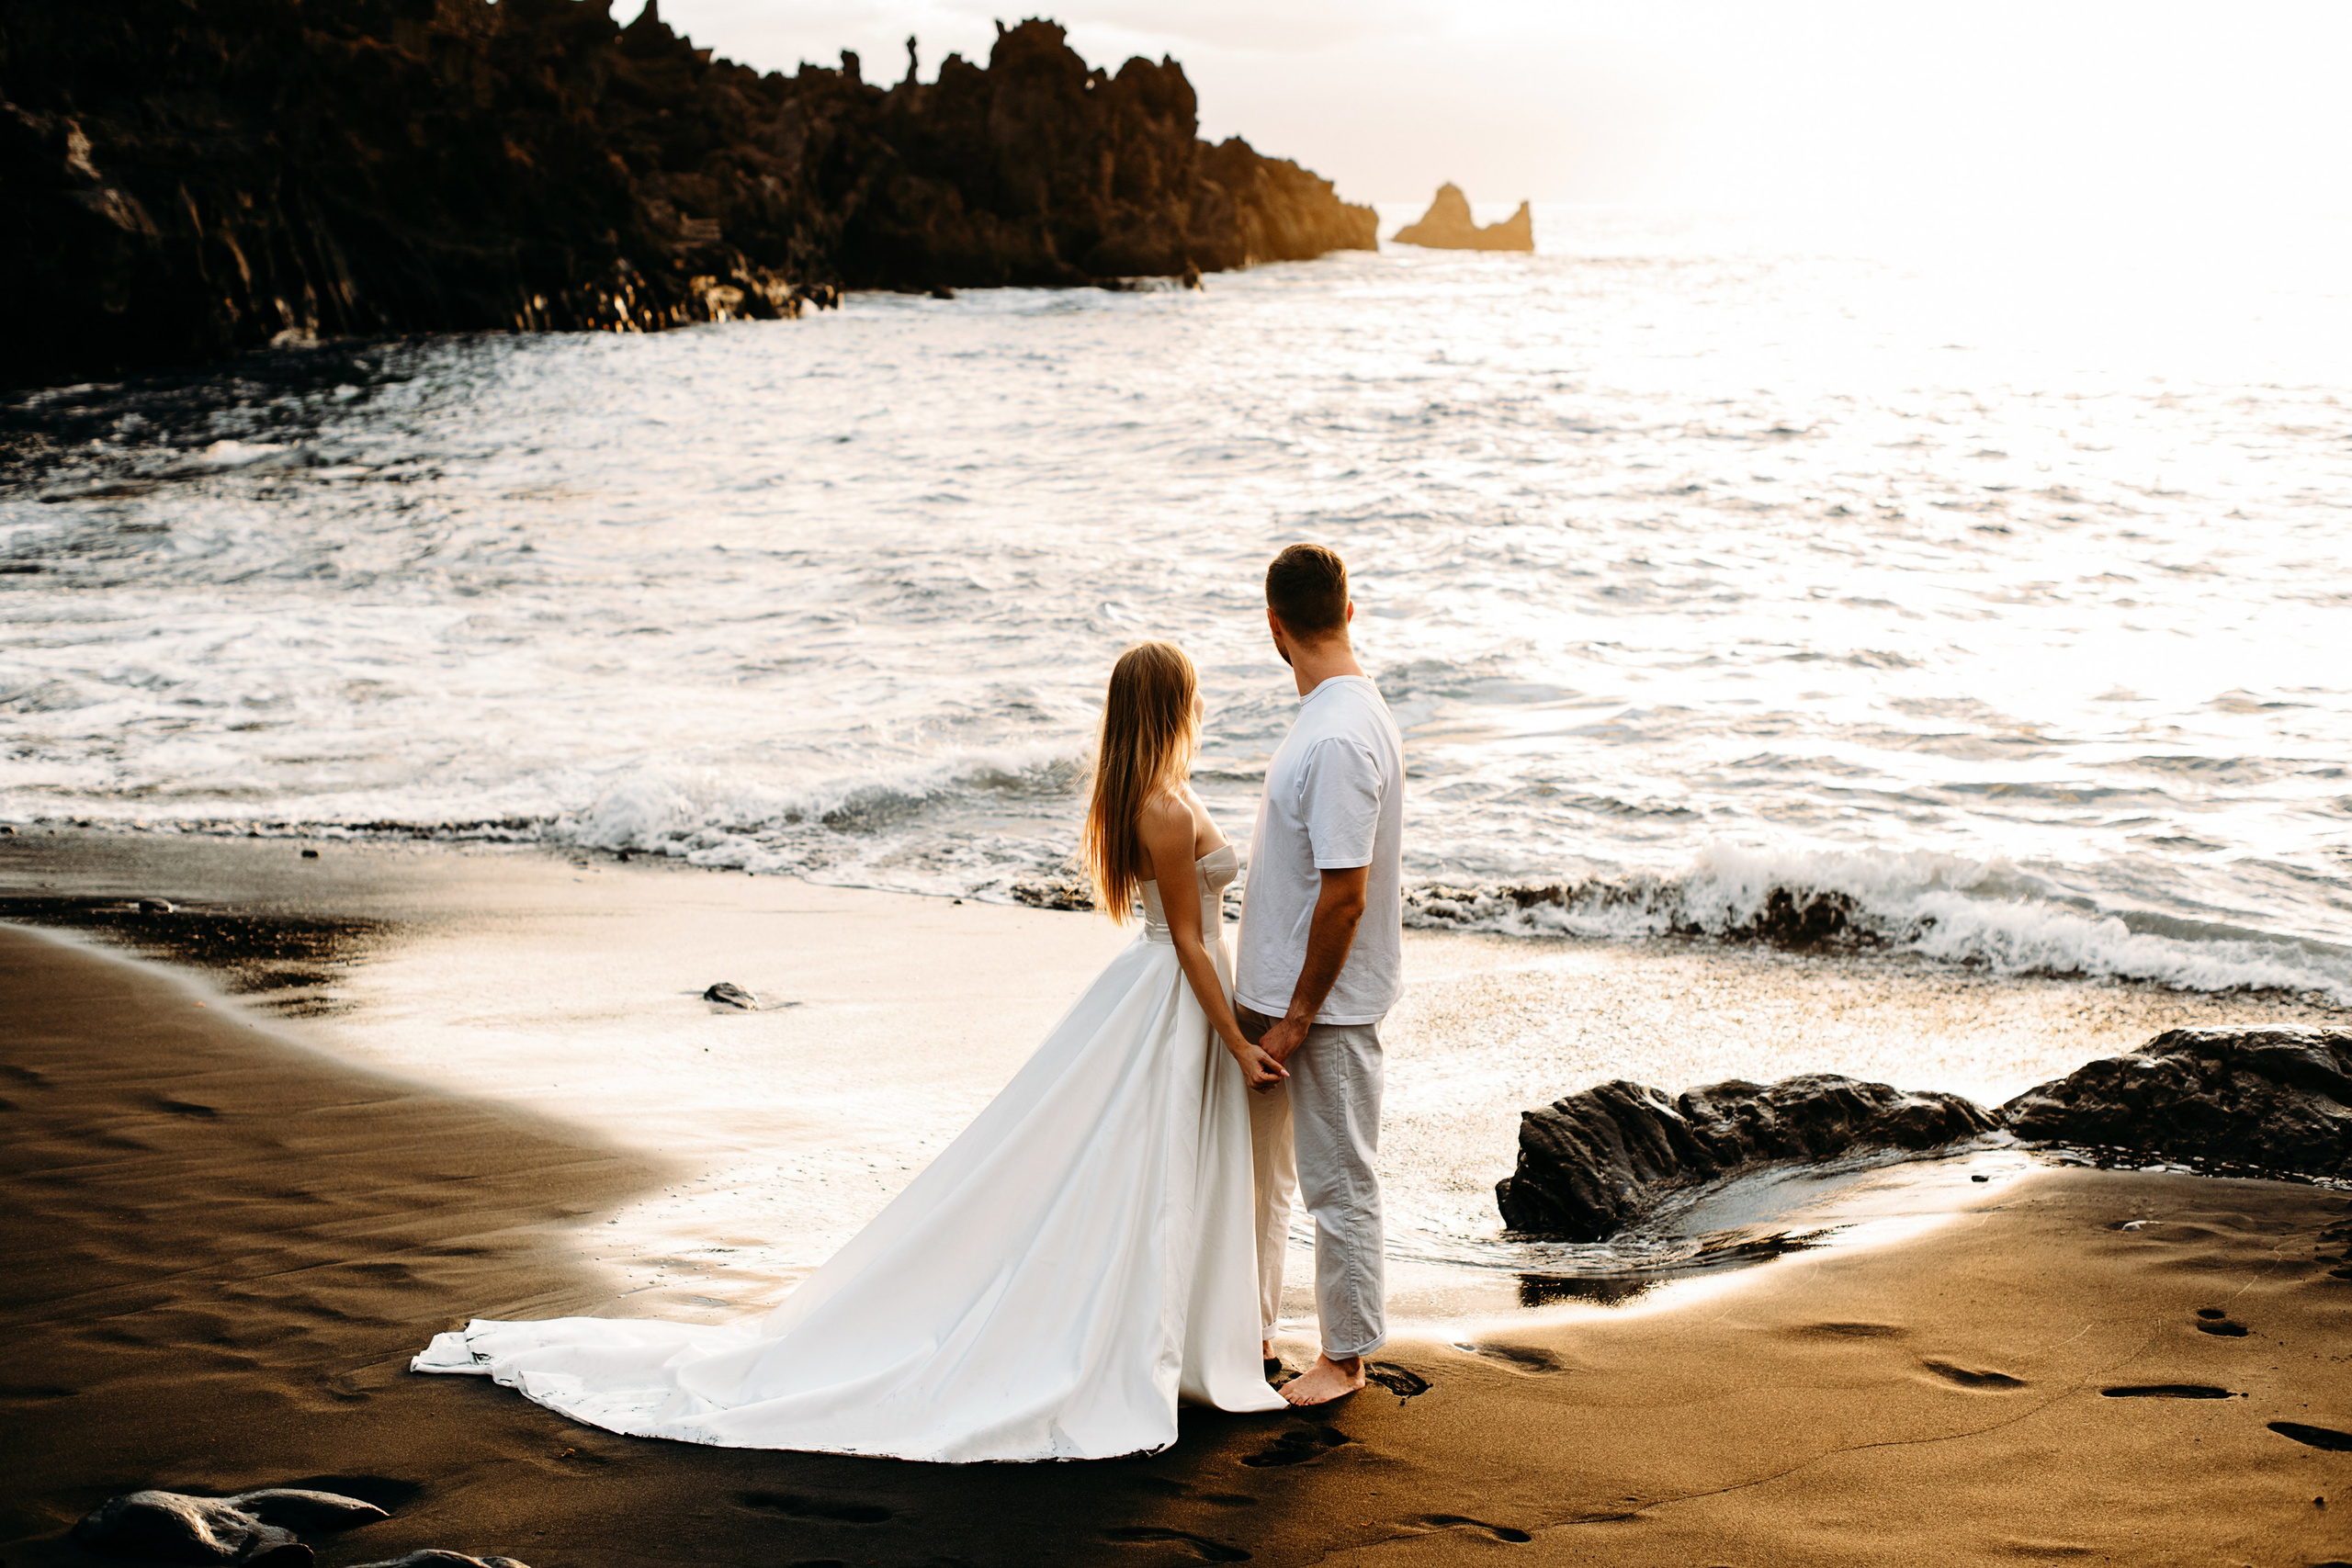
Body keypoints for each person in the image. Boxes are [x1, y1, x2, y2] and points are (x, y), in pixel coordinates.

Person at [412, 641, 1288, 1461]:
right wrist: (1237, 1042)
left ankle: (1173, 1335)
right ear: (1171, 705)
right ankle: (1139, 1339)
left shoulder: (1154, 794)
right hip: (1173, 999)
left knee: (1148, 1171)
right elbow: (1188, 939)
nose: (1202, 703)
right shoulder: (1165, 807)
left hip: (1162, 995)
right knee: (1141, 1173)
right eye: (1192, 693)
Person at [1235, 544, 1406, 1406]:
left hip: (1322, 1008)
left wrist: (1300, 1014)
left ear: (1274, 626)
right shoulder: (1331, 712)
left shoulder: (1339, 732)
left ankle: (1346, 1354)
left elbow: (1346, 896)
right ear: (1349, 608)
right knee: (1265, 1181)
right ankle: (1253, 1325)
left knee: (1338, 1179)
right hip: (1276, 1001)